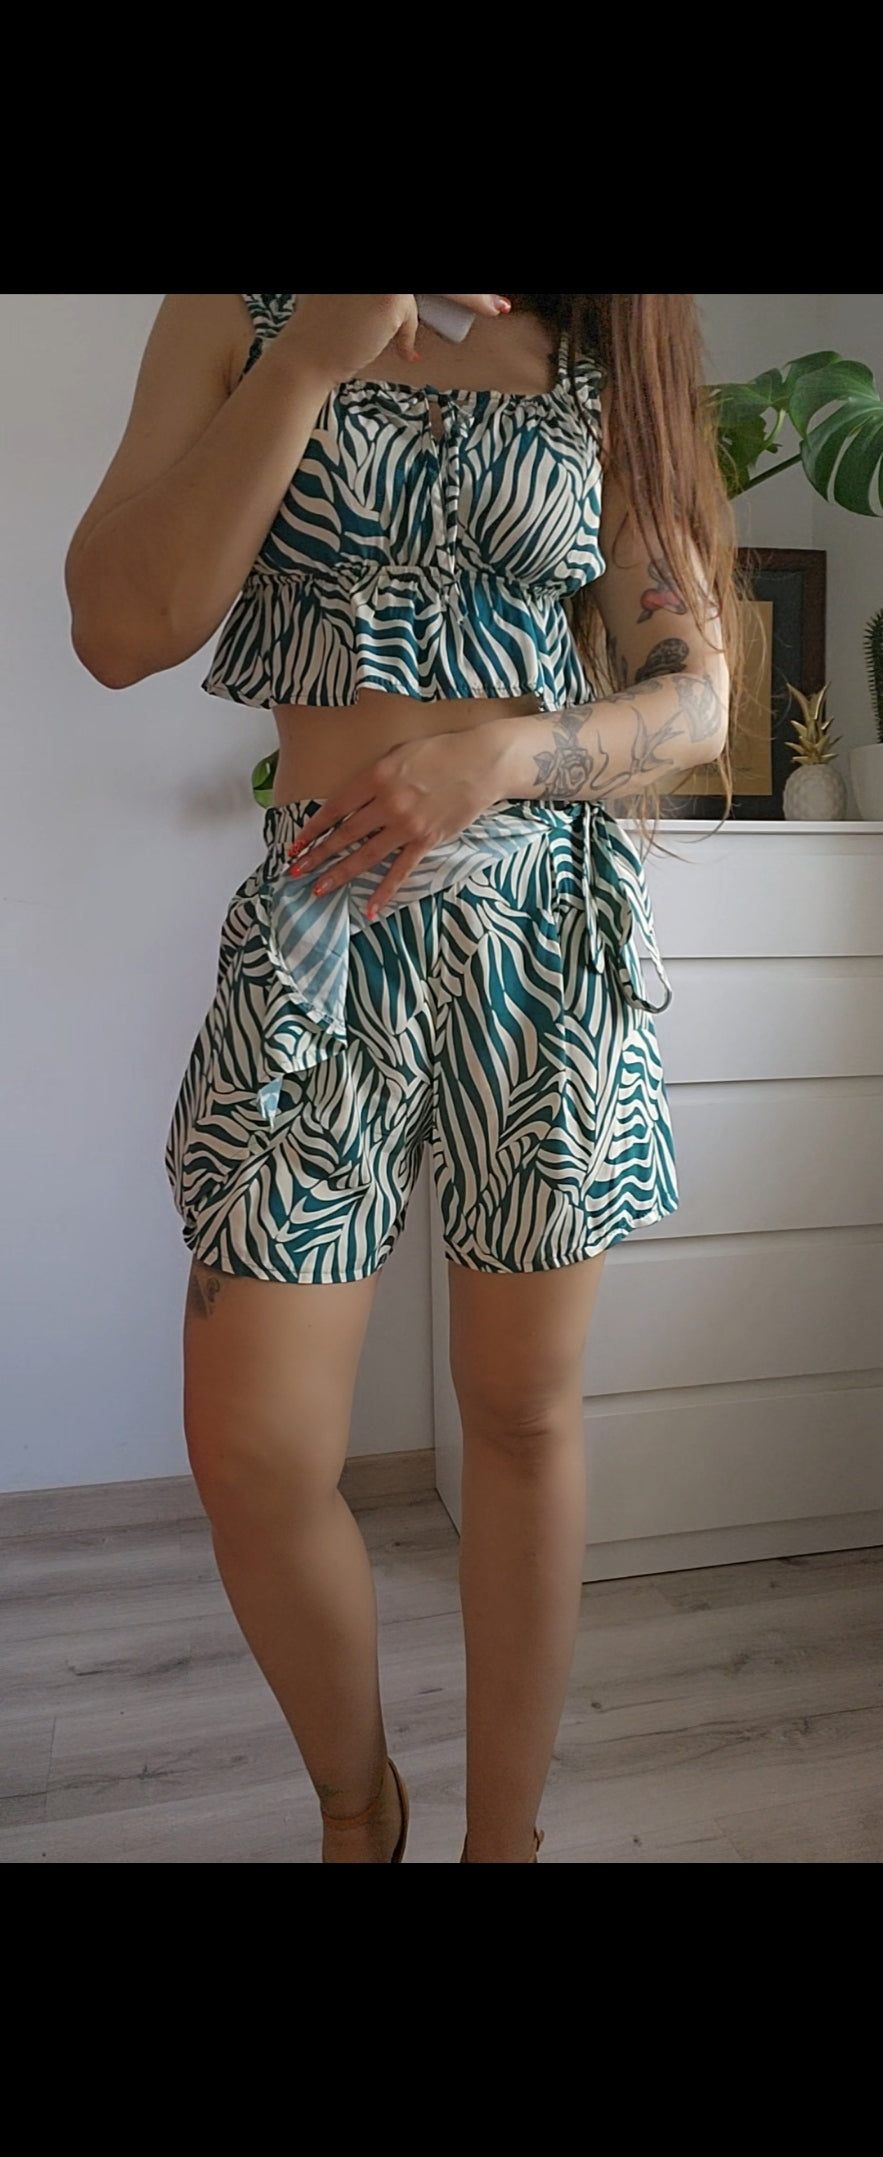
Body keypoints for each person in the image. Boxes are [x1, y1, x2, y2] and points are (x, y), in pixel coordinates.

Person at [65, 293, 737, 1864]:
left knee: (520, 1413)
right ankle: (358, 1800)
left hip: (541, 935)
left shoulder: (599, 346)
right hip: (322, 934)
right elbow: (118, 627)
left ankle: (505, 1840)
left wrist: (497, 757)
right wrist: (314, 353)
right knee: (253, 1454)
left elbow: (696, 696)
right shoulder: (247, 313)